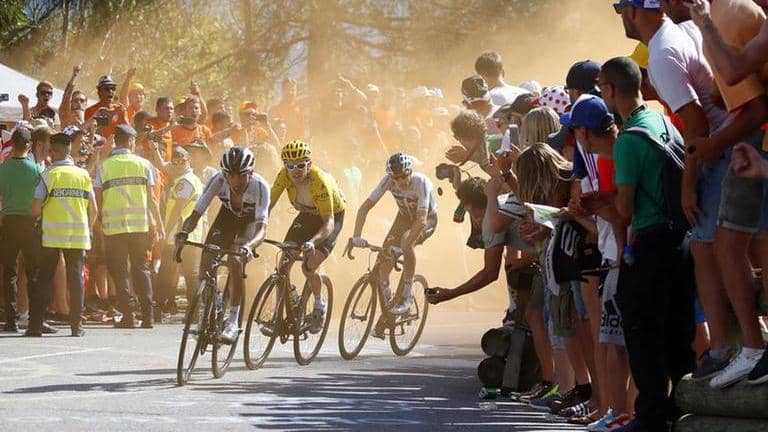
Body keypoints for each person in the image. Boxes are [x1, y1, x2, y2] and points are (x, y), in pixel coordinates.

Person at [614, 0, 734, 386]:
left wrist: (686, 187)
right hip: (730, 145)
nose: (620, 15)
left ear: (634, 11)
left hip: (720, 151)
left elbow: (698, 125)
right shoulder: (683, 31)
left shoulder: (662, 54)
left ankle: (726, 349)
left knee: (707, 248)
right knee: (731, 246)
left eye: (620, 7)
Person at [597, 54, 695, 432]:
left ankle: (651, 416)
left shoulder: (628, 139)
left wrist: (602, 205)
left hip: (650, 240)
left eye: (602, 88)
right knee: (677, 332)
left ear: (610, 89)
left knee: (642, 332)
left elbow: (624, 208)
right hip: (681, 238)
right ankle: (683, 411)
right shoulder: (662, 121)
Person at [683, 0, 768, 386]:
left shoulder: (729, 14)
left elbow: (735, 73)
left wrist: (703, 21)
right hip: (759, 147)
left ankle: (751, 347)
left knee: (732, 244)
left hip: (754, 142)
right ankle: (752, 347)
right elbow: (735, 76)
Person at [174, 147, 269, 343]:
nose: (234, 181)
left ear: (250, 173)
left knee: (235, 260)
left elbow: (261, 229)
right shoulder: (218, 180)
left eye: (241, 176)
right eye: (230, 176)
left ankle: (233, 320)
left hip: (249, 223)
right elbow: (196, 213)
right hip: (226, 219)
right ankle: (212, 303)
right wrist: (184, 233)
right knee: (207, 259)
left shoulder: (260, 187)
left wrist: (249, 246)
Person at [350, 153, 438, 321]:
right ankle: (389, 302)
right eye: (396, 178)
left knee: (406, 242)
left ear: (410, 171)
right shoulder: (388, 181)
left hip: (427, 219)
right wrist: (356, 236)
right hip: (403, 218)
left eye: (404, 176)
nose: (401, 181)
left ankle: (407, 295)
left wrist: (402, 248)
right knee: (384, 260)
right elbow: (364, 208)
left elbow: (421, 220)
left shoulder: (421, 182)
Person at [269, 140, 345, 333]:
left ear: (309, 164)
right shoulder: (283, 176)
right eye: (290, 166)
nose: (295, 170)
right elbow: (267, 206)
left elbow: (328, 223)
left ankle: (319, 304)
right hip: (307, 215)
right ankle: (278, 316)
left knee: (309, 266)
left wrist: (312, 242)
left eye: (301, 165)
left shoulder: (319, 181)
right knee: (283, 266)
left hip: (330, 217)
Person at [94, 124, 164, 329]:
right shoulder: (144, 165)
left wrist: (98, 224)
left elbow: (98, 198)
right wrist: (159, 224)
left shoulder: (104, 166)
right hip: (140, 226)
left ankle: (128, 316)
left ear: (116, 141)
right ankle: (148, 316)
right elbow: (152, 199)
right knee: (141, 269)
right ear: (131, 141)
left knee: (120, 271)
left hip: (114, 228)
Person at [30, 133, 97, 337]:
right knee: (76, 279)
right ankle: (76, 327)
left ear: (55, 151)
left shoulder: (48, 175)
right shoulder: (83, 175)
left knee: (44, 279)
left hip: (51, 235)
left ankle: (35, 326)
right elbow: (94, 209)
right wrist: (88, 228)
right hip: (77, 235)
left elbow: (35, 208)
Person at [0, 128, 51, 334]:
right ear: (29, 145)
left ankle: (11, 320)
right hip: (30, 223)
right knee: (33, 273)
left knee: (9, 272)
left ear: (13, 144)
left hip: (9, 222)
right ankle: (34, 320)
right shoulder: (36, 169)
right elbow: (42, 197)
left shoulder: (3, 169)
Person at [155, 146, 206, 321]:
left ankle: (158, 310)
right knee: (190, 275)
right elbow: (164, 166)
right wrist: (155, 150)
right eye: (174, 162)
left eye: (180, 162)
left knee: (167, 273)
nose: (176, 165)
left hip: (179, 235)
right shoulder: (192, 179)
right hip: (191, 235)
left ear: (187, 161)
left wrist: (166, 230)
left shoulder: (185, 182)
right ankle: (194, 314)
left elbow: (178, 209)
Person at [84, 76, 128, 140]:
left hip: (117, 145)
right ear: (99, 92)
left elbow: (130, 134)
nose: (110, 91)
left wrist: (123, 117)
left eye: (113, 88)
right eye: (106, 89)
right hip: (97, 144)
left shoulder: (120, 110)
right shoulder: (90, 111)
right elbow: (86, 133)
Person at [146, 97, 177, 161]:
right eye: (166, 108)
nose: (169, 111)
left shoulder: (172, 126)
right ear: (157, 109)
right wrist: (169, 127)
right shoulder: (149, 123)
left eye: (171, 109)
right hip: (150, 165)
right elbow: (149, 136)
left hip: (166, 166)